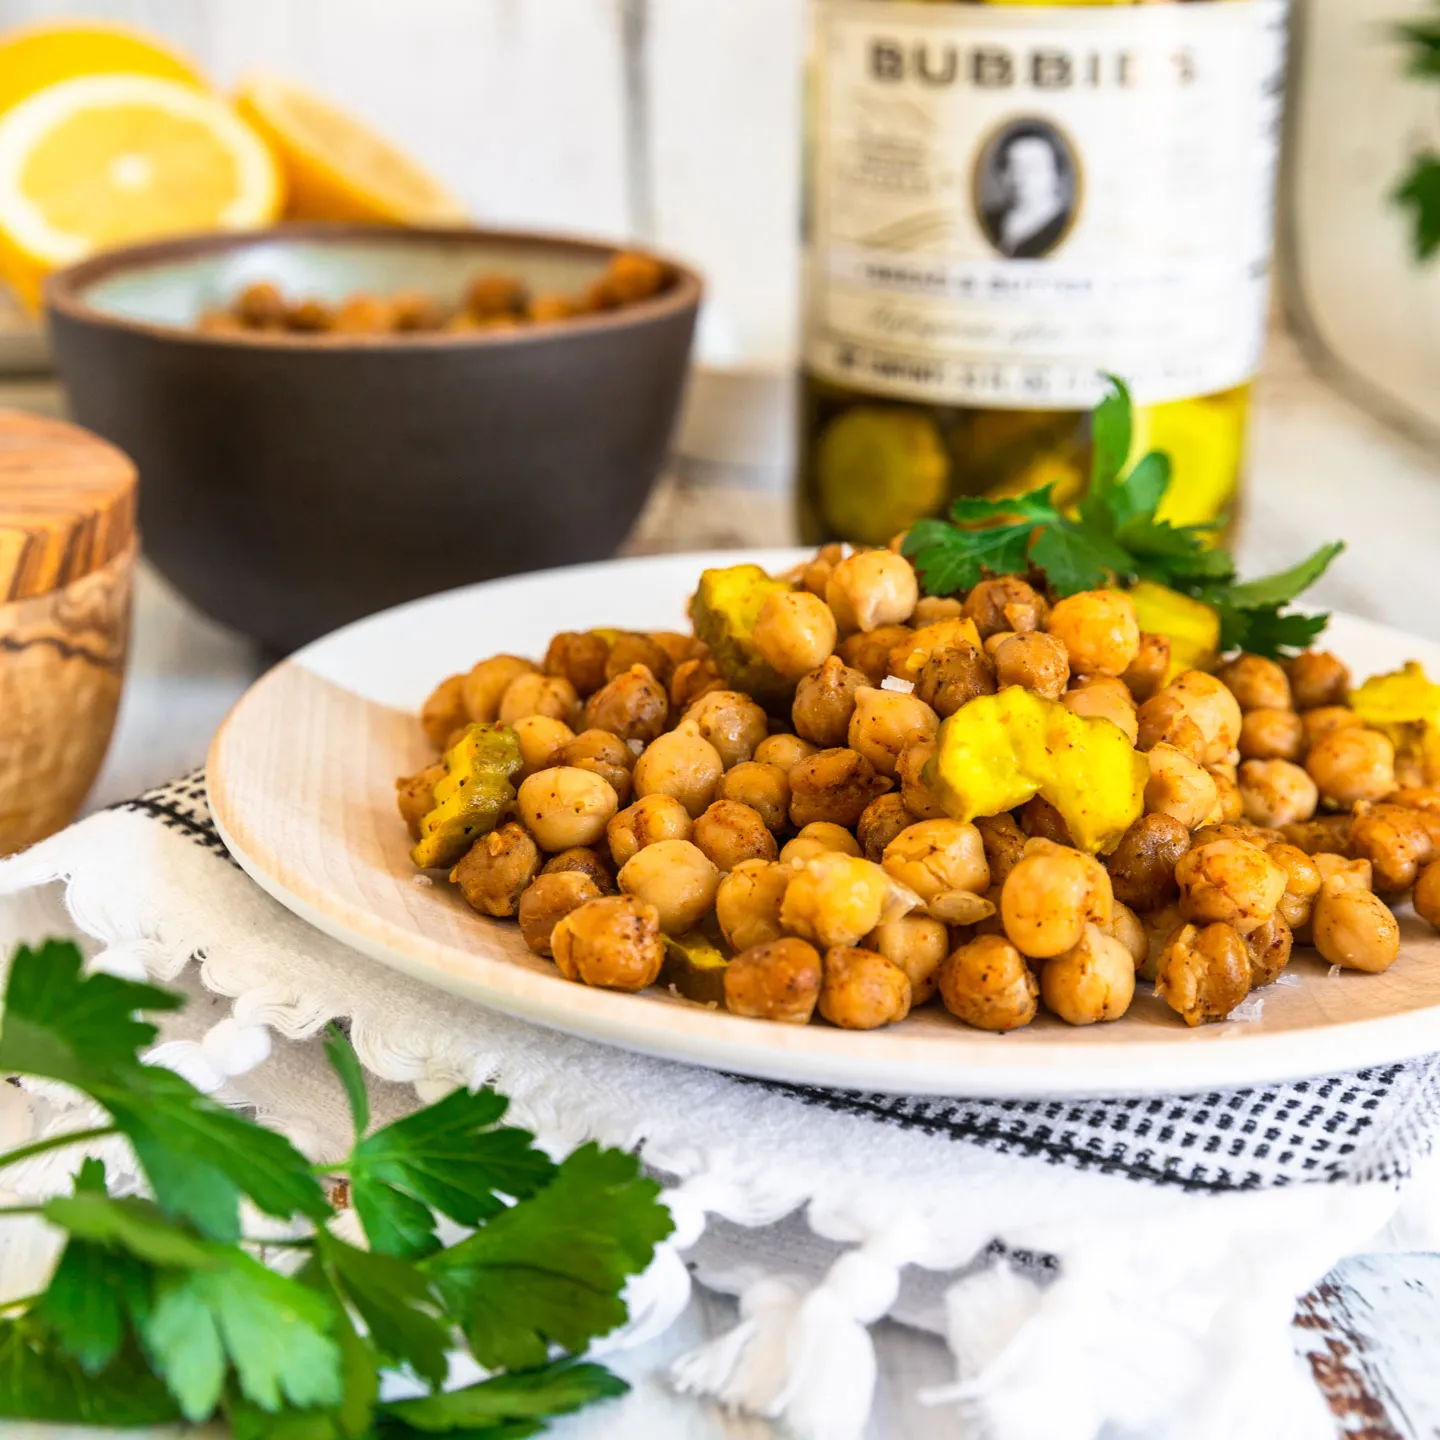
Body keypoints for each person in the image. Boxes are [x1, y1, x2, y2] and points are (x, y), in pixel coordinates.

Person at [982, 128, 1073, 259]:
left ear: (1056, 176)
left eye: (1032, 168)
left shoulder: (1063, 226)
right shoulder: (991, 220)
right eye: (1012, 167)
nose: (1019, 178)